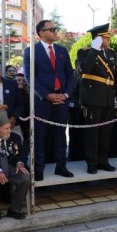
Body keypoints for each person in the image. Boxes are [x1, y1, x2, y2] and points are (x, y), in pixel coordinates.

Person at [23, 19, 75, 181]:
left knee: (60, 135)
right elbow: (29, 77)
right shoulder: (31, 51)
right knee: (39, 136)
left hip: (62, 99)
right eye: (51, 29)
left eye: (55, 28)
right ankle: (38, 169)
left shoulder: (62, 50)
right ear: (41, 33)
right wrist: (47, 95)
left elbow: (70, 75)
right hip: (42, 101)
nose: (55, 31)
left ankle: (61, 166)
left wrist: (65, 95)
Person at [78, 24, 117, 174]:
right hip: (93, 98)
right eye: (106, 38)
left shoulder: (111, 53)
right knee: (92, 133)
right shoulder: (85, 52)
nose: (109, 40)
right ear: (98, 39)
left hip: (108, 97)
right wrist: (94, 49)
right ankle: (92, 163)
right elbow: (86, 68)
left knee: (105, 132)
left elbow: (114, 76)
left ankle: (103, 160)